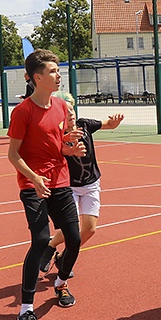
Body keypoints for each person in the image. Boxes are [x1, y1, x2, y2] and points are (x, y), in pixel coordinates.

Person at [7, 49, 83, 320]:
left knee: (74, 238)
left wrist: (69, 147)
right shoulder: (23, 111)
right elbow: (13, 154)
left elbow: (57, 146)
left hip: (60, 180)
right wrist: (34, 178)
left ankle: (61, 282)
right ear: (38, 77)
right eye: (52, 71)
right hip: (32, 184)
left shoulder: (62, 107)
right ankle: (25, 311)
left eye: (58, 70)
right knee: (40, 240)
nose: (58, 74)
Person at [39, 92, 124, 276]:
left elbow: (107, 124)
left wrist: (114, 123)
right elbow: (56, 150)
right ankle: (55, 251)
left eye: (72, 109)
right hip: (69, 186)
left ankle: (60, 254)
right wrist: (69, 149)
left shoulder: (84, 125)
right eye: (66, 110)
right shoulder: (57, 134)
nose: (70, 113)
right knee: (71, 229)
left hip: (91, 183)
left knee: (90, 229)